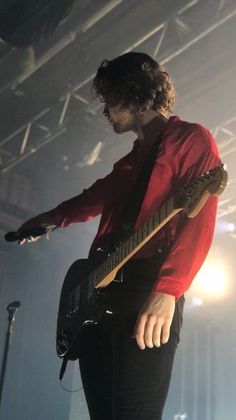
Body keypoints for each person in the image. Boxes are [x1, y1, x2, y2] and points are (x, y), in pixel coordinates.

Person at [17, 52, 221, 420]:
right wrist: (49, 220)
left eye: (109, 99)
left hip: (148, 289)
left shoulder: (191, 139)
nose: (105, 112)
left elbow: (200, 223)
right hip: (100, 292)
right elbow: (92, 198)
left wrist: (167, 291)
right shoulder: (128, 164)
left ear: (133, 94)